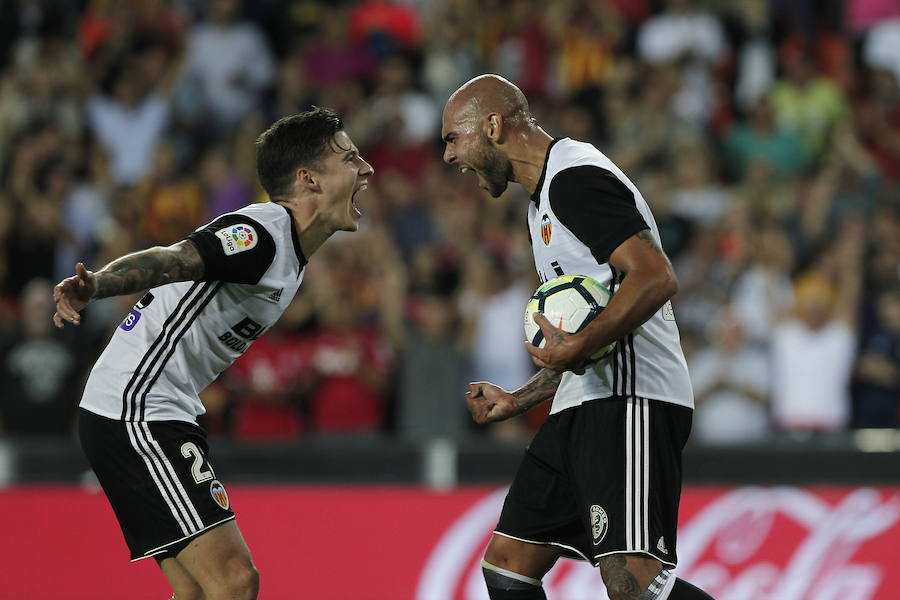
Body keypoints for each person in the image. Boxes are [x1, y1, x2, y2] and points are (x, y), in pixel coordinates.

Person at [52, 107, 373, 600]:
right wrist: (97, 286)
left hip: (152, 406)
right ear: (308, 179)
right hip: (136, 406)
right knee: (235, 580)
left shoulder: (292, 254)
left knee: (200, 592)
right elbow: (173, 259)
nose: (366, 168)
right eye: (351, 158)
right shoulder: (262, 235)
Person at [442, 75, 713, 600]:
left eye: (454, 137)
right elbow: (580, 335)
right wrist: (517, 400)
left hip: (632, 397)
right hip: (583, 400)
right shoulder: (539, 202)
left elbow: (655, 276)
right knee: (509, 565)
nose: (450, 156)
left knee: (632, 582)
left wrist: (580, 348)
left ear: (494, 126)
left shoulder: (575, 179)